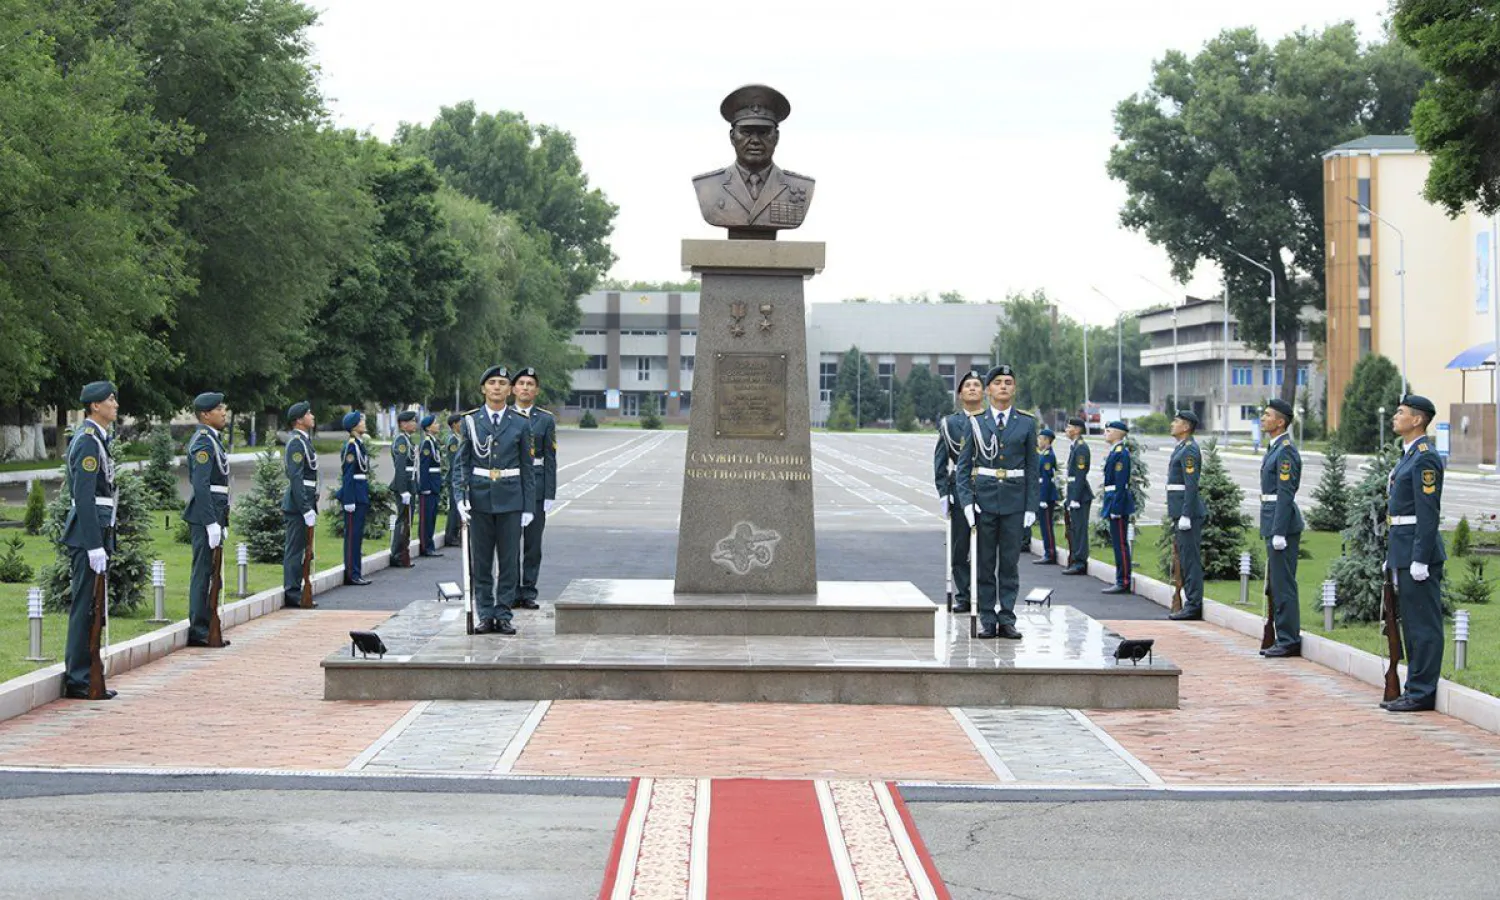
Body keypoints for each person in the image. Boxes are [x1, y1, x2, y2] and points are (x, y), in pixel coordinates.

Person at [954, 364, 1039, 640]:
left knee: (1010, 564)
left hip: (1014, 502)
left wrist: (1030, 507)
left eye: (1009, 382)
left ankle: (1007, 618)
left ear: (1014, 389)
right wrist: (967, 503)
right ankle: (988, 618)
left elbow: (1032, 468)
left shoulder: (1026, 423)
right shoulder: (976, 422)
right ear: (988, 389)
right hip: (984, 502)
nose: (1004, 386)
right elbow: (964, 468)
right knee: (986, 562)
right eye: (998, 382)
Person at [452, 366, 535, 635]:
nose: (497, 387)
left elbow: (527, 468)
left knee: (509, 562)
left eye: (502, 383)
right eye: (492, 382)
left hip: (511, 500)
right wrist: (460, 497)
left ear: (510, 389)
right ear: (483, 389)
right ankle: (486, 614)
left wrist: (529, 506)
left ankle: (504, 614)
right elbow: (461, 464)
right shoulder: (471, 422)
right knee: (482, 561)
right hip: (479, 498)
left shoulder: (521, 423)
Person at [1382, 395, 1446, 712]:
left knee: (1423, 625)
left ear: (1417, 420)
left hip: (1418, 554)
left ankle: (1421, 692)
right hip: (1403, 549)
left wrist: (1420, 557)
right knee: (1410, 624)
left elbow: (1428, 513)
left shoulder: (1425, 458)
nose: (1395, 417)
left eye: (1401, 412)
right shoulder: (1408, 456)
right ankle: (1413, 687)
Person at [61, 381, 120, 699]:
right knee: (85, 606)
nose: (115, 405)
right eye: (110, 400)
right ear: (94, 406)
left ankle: (87, 673)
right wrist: (93, 542)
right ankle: (78, 677)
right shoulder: (87, 441)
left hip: (96, 532)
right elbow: (84, 497)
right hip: (88, 535)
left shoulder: (98, 439)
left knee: (92, 606)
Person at [693, 84, 815, 236]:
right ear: (732, 136)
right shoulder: (708, 186)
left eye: (763, 132)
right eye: (746, 132)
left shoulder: (800, 186)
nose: (755, 140)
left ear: (776, 137)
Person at [933, 370, 986, 612]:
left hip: (988, 490)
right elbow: (941, 461)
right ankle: (964, 595)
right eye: (968, 385)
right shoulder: (950, 424)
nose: (973, 388)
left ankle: (984, 595)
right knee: (960, 549)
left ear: (983, 392)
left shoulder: (991, 420)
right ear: (960, 393)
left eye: (977, 385)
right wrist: (944, 493)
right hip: (959, 492)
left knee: (987, 549)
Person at [182, 392, 231, 648]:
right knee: (203, 572)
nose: (224, 411)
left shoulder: (212, 440)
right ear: (205, 415)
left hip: (214, 514)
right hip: (204, 517)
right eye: (218, 408)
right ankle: (199, 628)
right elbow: (201, 486)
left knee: (212, 573)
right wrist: (211, 522)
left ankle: (208, 623)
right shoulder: (203, 442)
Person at [1259, 398, 1304, 657]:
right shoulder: (1275, 447)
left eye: (1267, 415)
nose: (1262, 419)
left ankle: (1288, 639)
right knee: (1276, 582)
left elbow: (1285, 494)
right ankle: (1281, 635)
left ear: (1280, 422)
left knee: (1283, 583)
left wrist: (1278, 531)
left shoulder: (1285, 450)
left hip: (1281, 523)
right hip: (1273, 519)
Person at [512, 367, 556, 610]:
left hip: (537, 487)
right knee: (509, 544)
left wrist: (550, 493)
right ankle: (510, 590)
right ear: (513, 389)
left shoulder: (545, 419)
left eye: (530, 384)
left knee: (532, 545)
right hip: (510, 485)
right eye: (521, 383)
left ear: (536, 390)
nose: (525, 387)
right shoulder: (506, 415)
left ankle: (528, 591)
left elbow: (550, 457)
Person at [1166, 410, 1207, 620]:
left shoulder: (1190, 450)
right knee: (1185, 558)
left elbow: (1191, 485)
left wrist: (1186, 514)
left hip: (1187, 514)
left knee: (1190, 560)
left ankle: (1193, 604)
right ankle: (1189, 602)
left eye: (1177, 421)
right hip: (1180, 512)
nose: (1172, 424)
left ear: (1186, 427)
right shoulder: (1181, 448)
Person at [281, 401, 319, 609]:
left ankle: (298, 590)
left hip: (306, 501)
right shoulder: (296, 442)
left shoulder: (304, 441)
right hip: (298, 505)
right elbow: (296, 478)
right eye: (308, 413)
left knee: (303, 549)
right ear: (299, 420)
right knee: (295, 550)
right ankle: (292, 592)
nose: (312, 416)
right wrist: (305, 508)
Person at [1099, 421, 1135, 594]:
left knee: (1120, 543)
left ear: (1119, 433)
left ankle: (1124, 580)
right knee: (1117, 543)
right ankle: (1120, 578)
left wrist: (1116, 507)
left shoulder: (1121, 453)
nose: (1106, 433)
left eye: (1109, 430)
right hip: (1112, 499)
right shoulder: (1115, 452)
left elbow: (1121, 483)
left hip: (1117, 502)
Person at [337, 411, 372, 586]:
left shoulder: (358, 444)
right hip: (354, 496)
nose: (364, 423)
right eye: (361, 421)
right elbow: (348, 475)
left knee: (357, 536)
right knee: (352, 536)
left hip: (360, 493)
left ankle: (356, 571)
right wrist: (349, 500)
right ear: (354, 426)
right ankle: (352, 573)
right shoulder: (351, 446)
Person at [1061, 417, 1093, 575]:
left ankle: (1080, 562)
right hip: (1074, 494)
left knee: (1080, 529)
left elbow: (1080, 474)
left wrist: (1075, 498)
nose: (1066, 429)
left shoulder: (1081, 448)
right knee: (1074, 529)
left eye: (1069, 427)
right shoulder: (1074, 447)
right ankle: (1075, 558)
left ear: (1078, 430)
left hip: (1080, 496)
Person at [388, 410, 418, 567]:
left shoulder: (407, 440)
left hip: (409, 484)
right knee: (403, 521)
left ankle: (401, 552)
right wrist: (403, 490)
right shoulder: (401, 441)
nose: (415, 424)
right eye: (412, 421)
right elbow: (400, 467)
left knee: (407, 521)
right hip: (404, 485)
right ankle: (397, 554)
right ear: (403, 424)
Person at [416, 414, 444, 557]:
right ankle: (425, 546)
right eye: (435, 423)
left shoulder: (433, 442)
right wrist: (424, 487)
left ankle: (429, 544)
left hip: (434, 484)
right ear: (428, 427)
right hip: (429, 485)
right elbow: (424, 467)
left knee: (432, 516)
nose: (438, 425)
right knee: (426, 517)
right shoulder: (427, 443)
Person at [1033, 427, 1060, 564]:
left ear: (1046, 440)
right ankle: (1047, 551)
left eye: (1040, 438)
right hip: (1043, 494)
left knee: (1047, 525)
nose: (1038, 441)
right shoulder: (1043, 454)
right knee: (1044, 525)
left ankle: (1050, 553)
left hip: (1047, 496)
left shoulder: (1048, 456)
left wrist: (1043, 499)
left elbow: (1047, 479)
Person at [443, 413, 464, 549]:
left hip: (459, 478)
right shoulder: (453, 440)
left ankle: (455, 534)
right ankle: (450, 536)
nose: (462, 425)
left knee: (458, 508)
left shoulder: (458, 438)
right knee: (454, 509)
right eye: (460, 422)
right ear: (455, 424)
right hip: (454, 478)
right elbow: (454, 461)